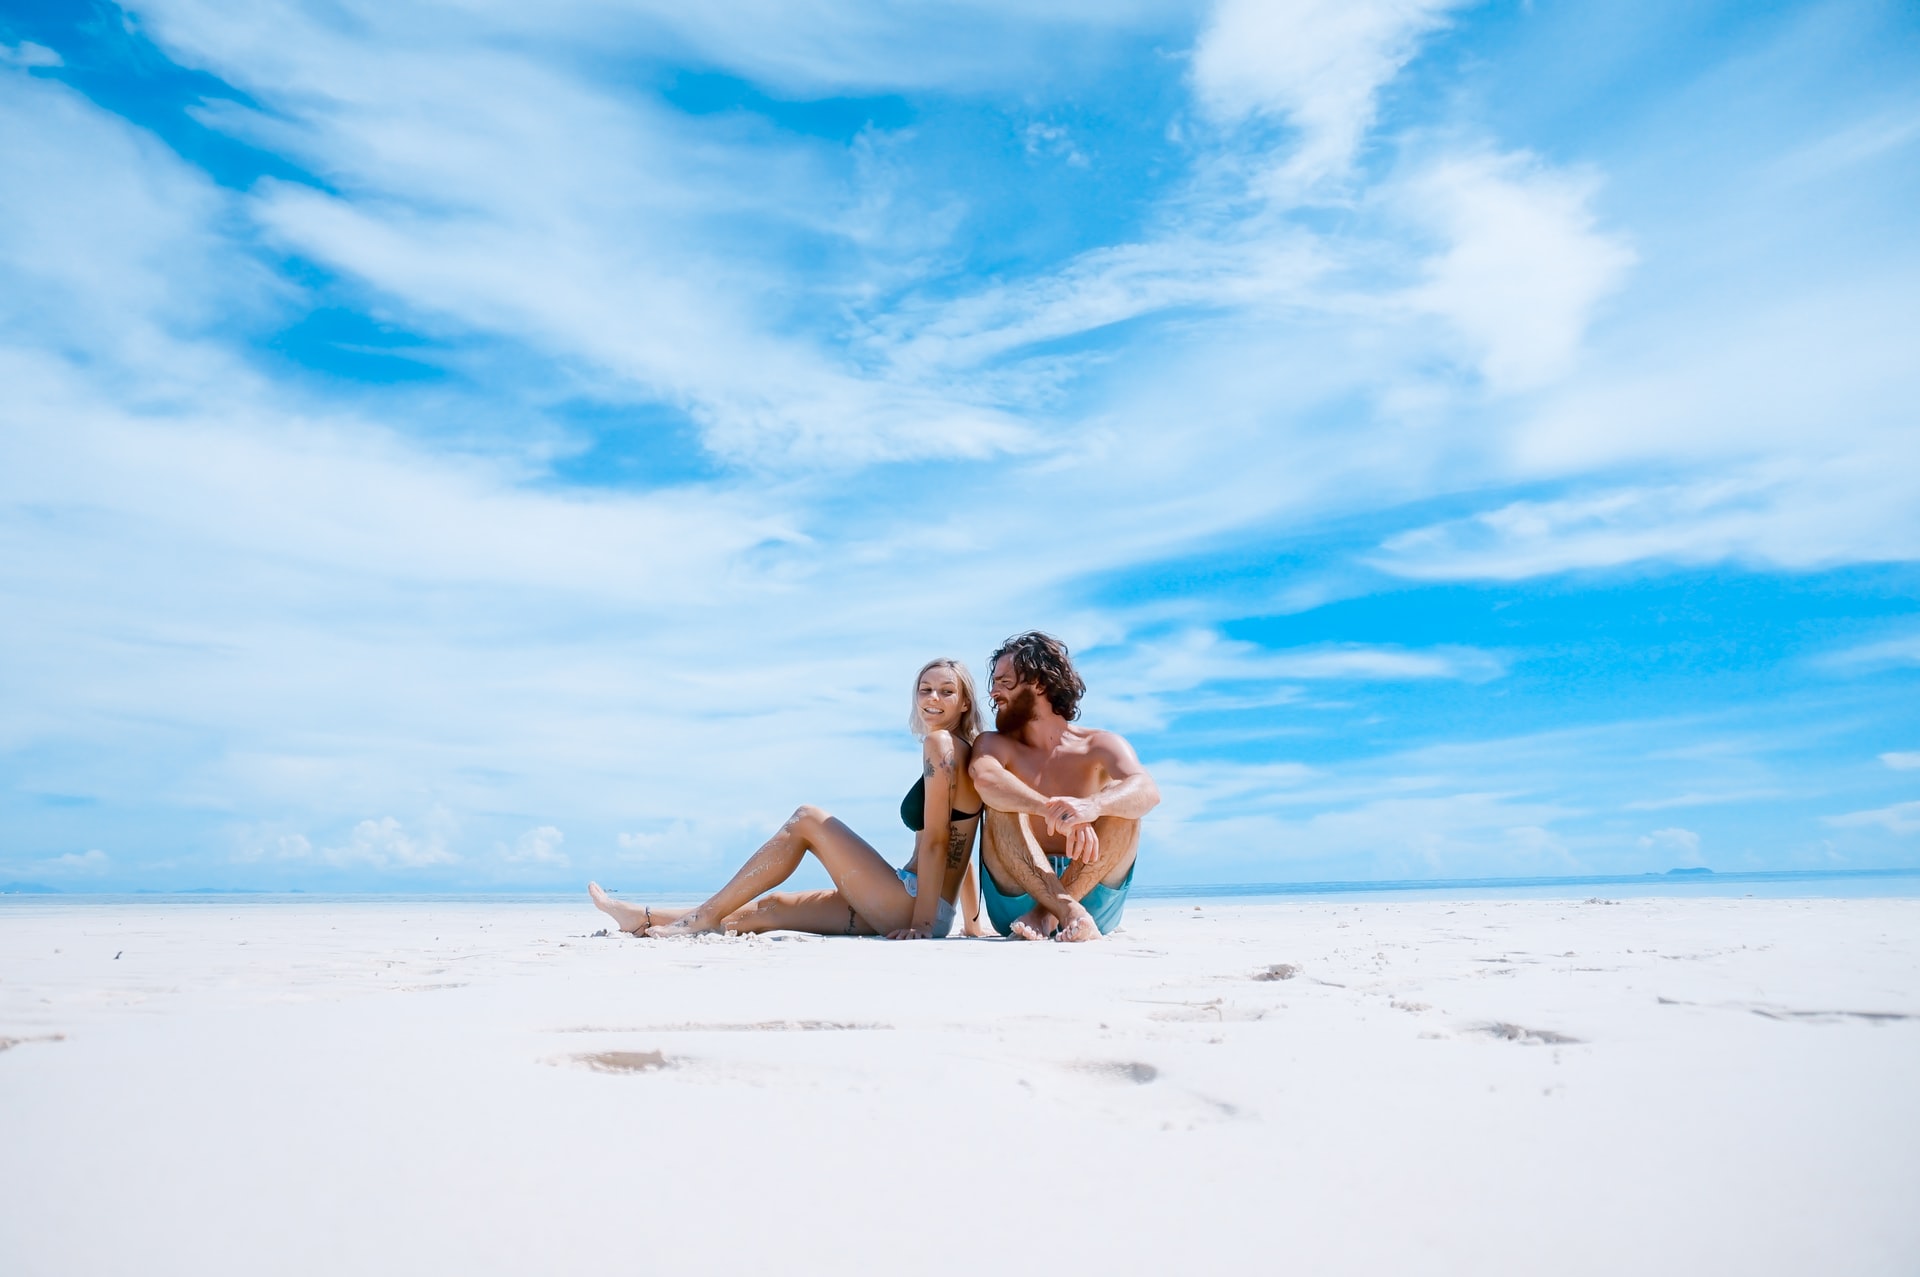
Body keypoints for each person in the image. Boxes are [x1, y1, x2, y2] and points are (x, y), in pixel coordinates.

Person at [588, 659, 993, 939]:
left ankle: (702, 917)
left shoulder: (941, 745)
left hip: (910, 904)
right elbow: (963, 842)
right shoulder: (963, 751)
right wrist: (965, 922)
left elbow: (941, 842)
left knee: (808, 819)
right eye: (926, 690)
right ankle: (640, 917)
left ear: (964, 702)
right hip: (921, 902)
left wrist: (924, 925)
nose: (933, 699)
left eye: (946, 691)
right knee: (773, 909)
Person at [969, 631, 1160, 942]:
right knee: (1002, 802)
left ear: (1040, 684)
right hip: (1017, 893)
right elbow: (985, 779)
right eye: (994, 683)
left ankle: (1048, 914)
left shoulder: (1100, 744)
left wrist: (1093, 806)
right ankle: (1064, 910)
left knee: (1124, 803)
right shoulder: (993, 744)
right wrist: (1055, 811)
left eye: (1005, 682)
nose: (993, 692)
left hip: (1091, 891)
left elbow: (1147, 790)